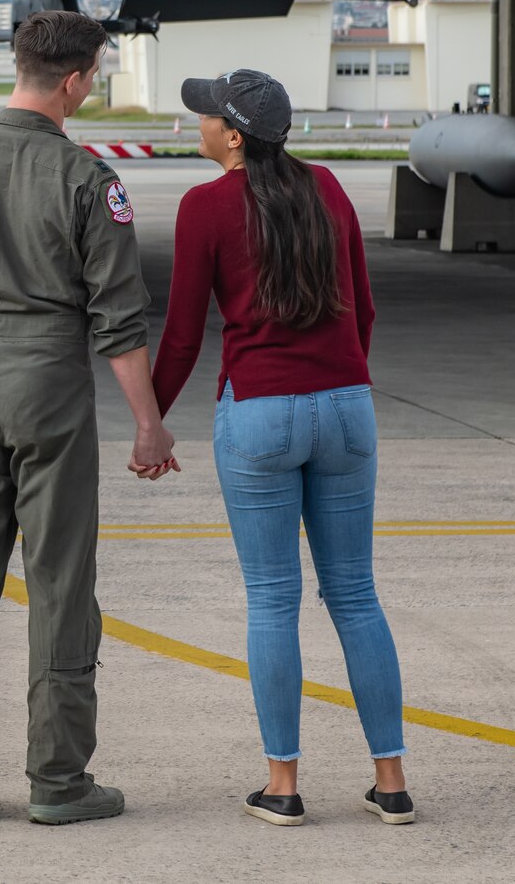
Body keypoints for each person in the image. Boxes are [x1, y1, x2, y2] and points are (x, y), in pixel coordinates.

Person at [0, 9, 178, 828]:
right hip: (48, 390)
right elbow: (119, 324)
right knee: (60, 585)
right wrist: (149, 425)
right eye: (93, 75)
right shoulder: (89, 180)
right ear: (73, 80)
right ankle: (58, 779)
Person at [152, 69, 414, 828]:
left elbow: (179, 335)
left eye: (204, 114)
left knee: (273, 598)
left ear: (233, 135)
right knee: (356, 594)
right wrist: (336, 383)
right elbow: (362, 306)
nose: (196, 121)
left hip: (261, 411)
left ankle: (283, 784)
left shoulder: (203, 207)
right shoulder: (326, 187)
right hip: (347, 405)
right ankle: (390, 780)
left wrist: (153, 423)